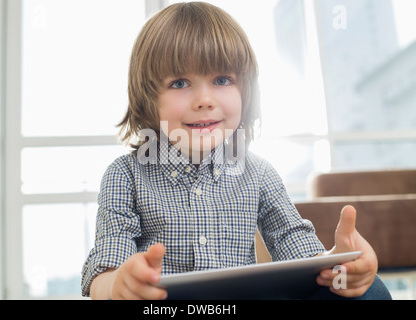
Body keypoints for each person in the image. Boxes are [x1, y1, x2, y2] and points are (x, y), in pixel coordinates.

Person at [81, 2, 391, 300]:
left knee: (370, 289)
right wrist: (120, 284)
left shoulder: (259, 172)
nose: (204, 99)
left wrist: (342, 265)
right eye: (179, 83)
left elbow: (299, 253)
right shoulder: (125, 175)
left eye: (221, 79)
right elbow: (105, 274)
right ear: (148, 98)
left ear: (245, 90)